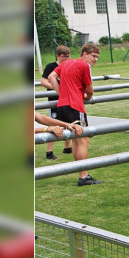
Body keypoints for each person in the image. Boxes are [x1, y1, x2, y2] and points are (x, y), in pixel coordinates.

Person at [49, 43, 101, 186]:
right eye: (93, 56)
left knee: (75, 141)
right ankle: (83, 176)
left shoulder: (65, 63)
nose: (95, 59)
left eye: (97, 57)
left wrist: (61, 93)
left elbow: (51, 76)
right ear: (84, 53)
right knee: (83, 140)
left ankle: (81, 173)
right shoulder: (84, 66)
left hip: (62, 106)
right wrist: (87, 96)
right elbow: (90, 91)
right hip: (75, 106)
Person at [41, 45, 70, 160]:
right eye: (64, 56)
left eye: (68, 56)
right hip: (54, 99)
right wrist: (56, 88)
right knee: (53, 123)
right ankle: (49, 151)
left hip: (66, 99)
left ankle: (67, 147)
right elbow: (43, 81)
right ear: (58, 56)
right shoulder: (51, 66)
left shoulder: (69, 65)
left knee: (68, 121)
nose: (66, 59)